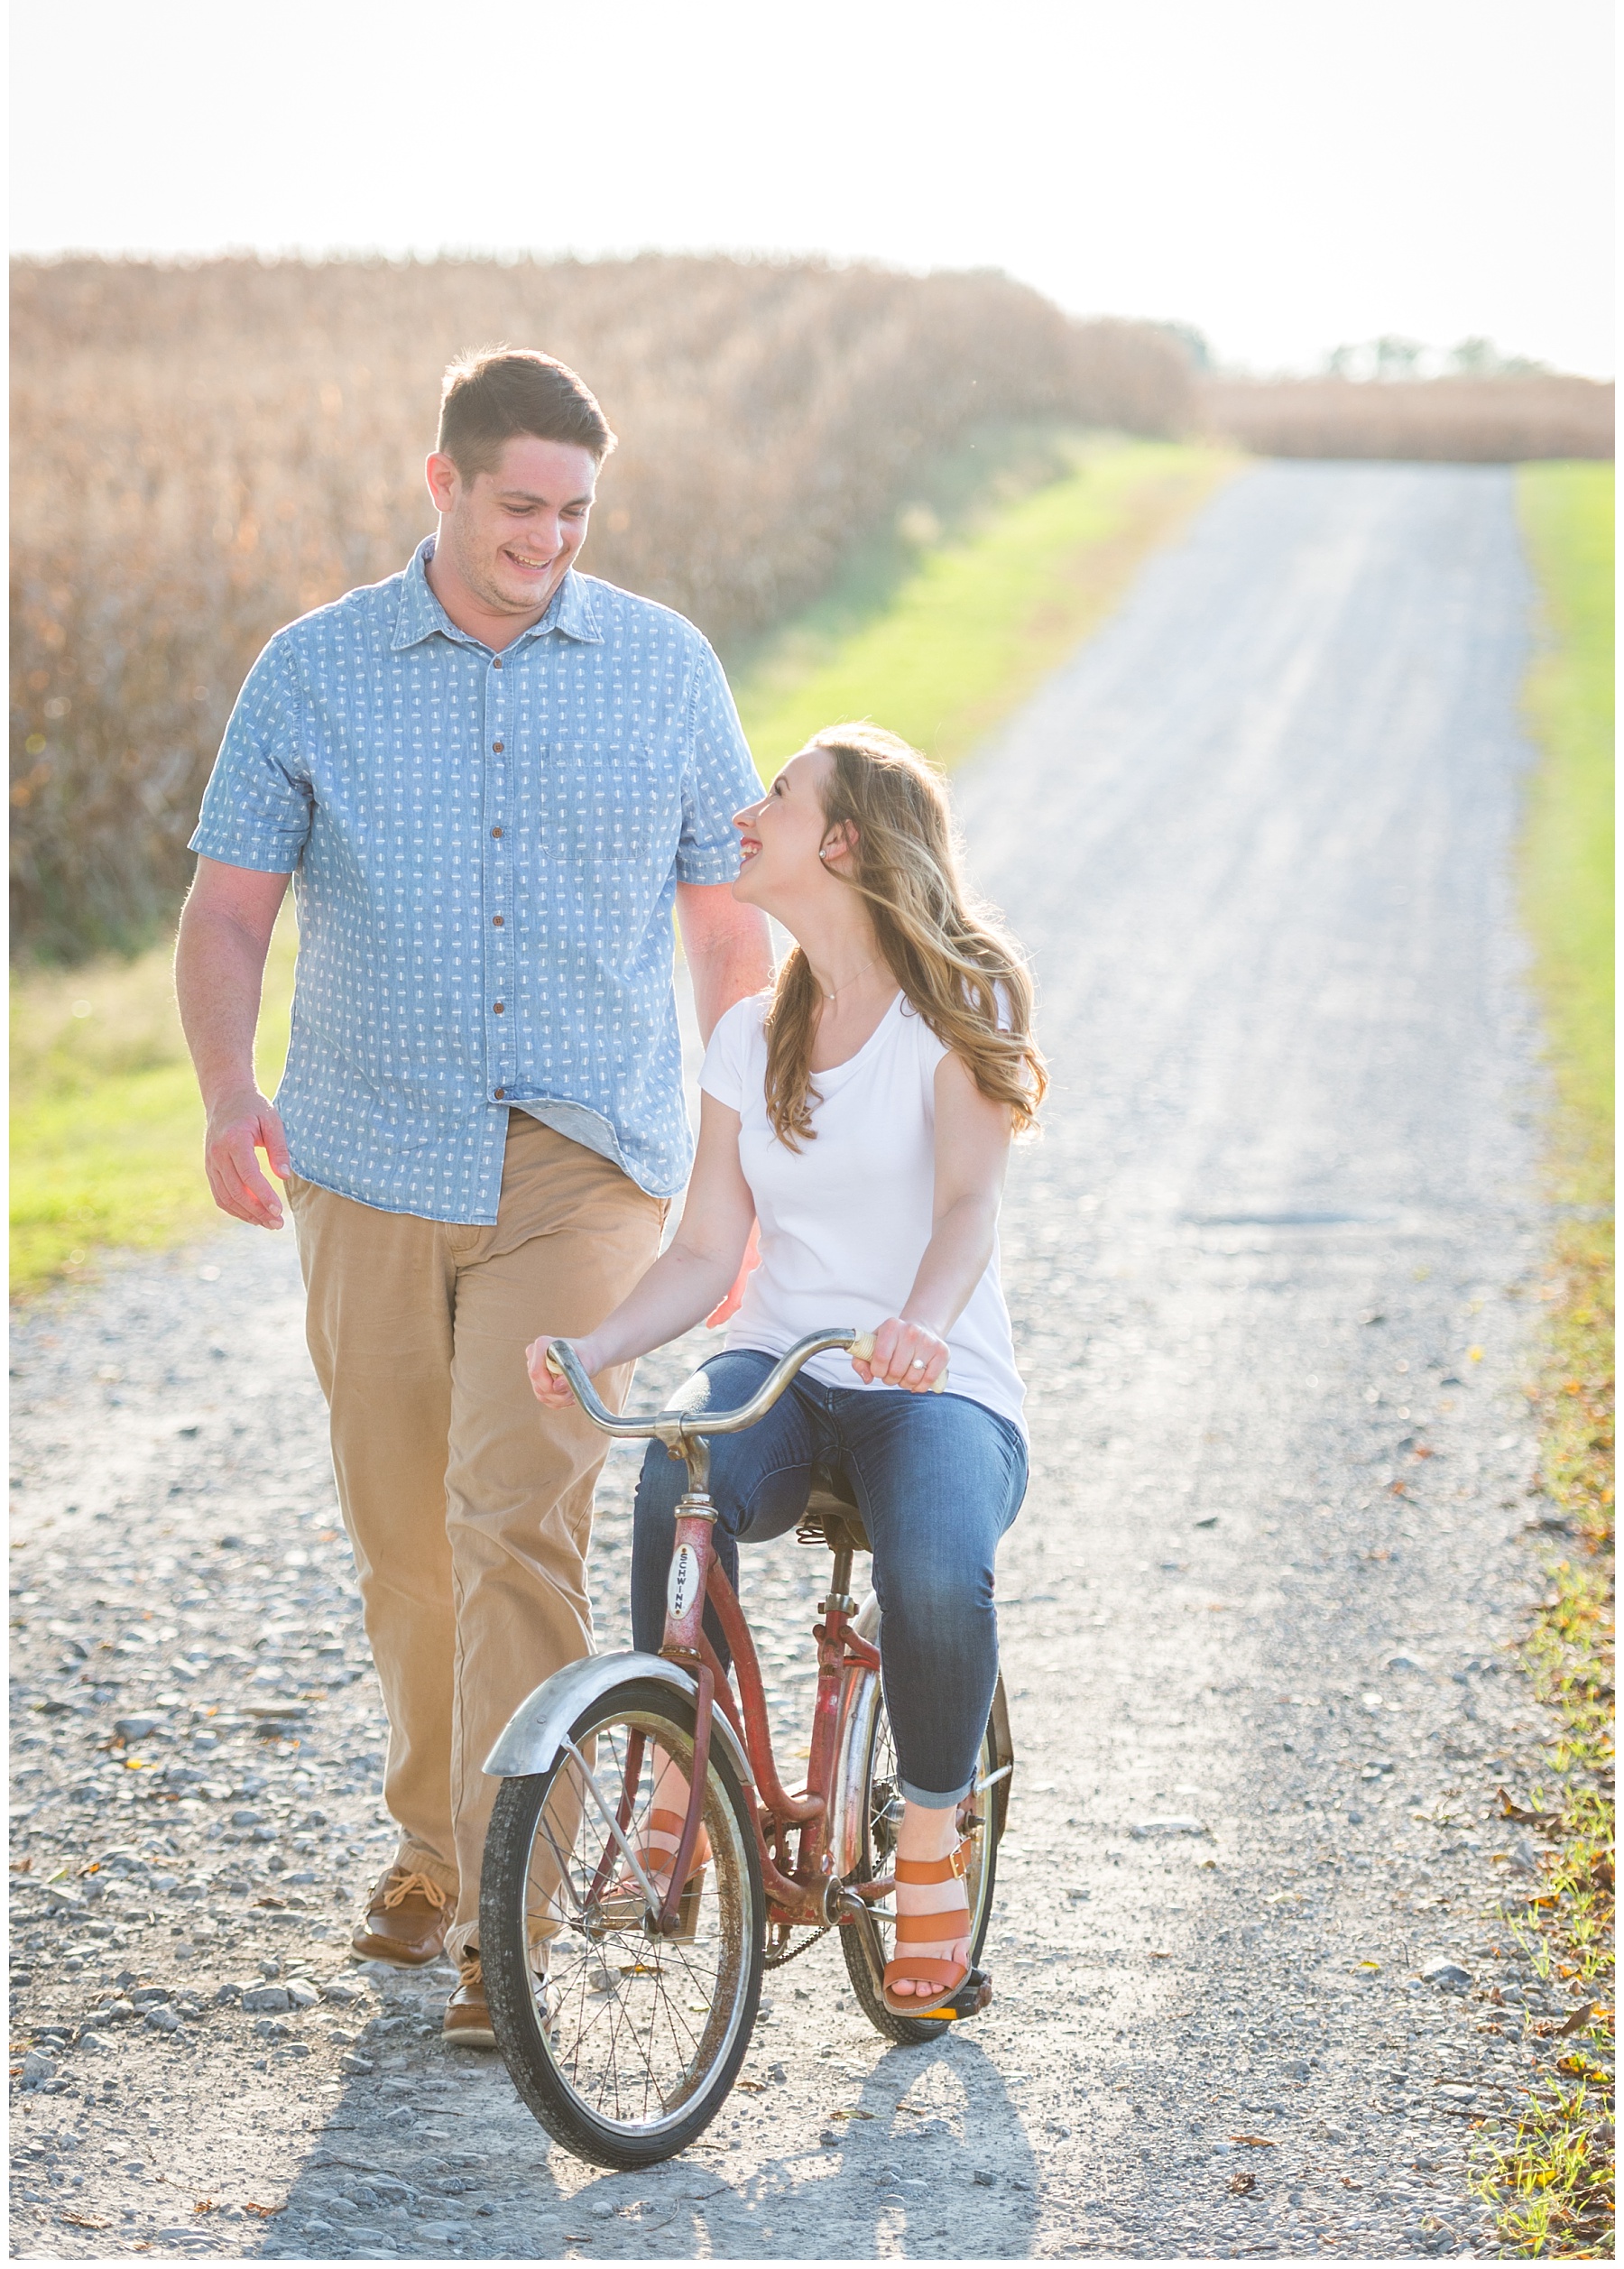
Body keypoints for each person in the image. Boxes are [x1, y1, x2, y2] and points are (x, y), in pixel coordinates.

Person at [176, 348, 770, 2043]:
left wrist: (744, 1152)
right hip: (365, 1160)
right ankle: (434, 1854)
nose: (550, 540)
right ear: (439, 483)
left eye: (576, 513)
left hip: (586, 1167)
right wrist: (233, 1092)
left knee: (516, 1511)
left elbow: (729, 926)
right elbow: (228, 917)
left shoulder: (664, 667)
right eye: (521, 507)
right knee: (402, 1536)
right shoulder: (314, 671)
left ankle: (512, 1912)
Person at [528, 723, 1045, 2012]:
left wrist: (923, 1320)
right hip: (785, 1370)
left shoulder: (953, 1013)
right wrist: (600, 1346)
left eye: (779, 794)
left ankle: (929, 1837)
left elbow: (970, 1207)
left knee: (934, 1573)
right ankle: (681, 1784)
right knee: (674, 1489)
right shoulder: (751, 1036)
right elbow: (709, 1247)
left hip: (933, 1389)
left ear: (844, 840)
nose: (750, 811)